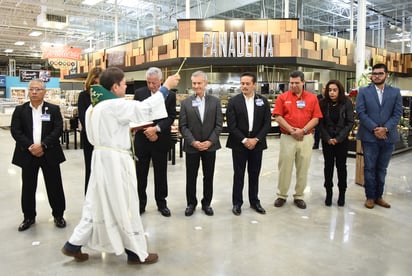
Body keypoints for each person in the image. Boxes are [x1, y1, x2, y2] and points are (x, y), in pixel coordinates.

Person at [61, 67, 180, 265]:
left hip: (100, 158)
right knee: (126, 204)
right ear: (115, 86)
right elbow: (144, 109)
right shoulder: (114, 105)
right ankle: (136, 252)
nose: (126, 87)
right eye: (124, 84)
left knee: (95, 202)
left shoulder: (94, 107)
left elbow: (103, 131)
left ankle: (74, 244)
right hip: (115, 162)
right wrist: (166, 87)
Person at [11, 79, 67, 231]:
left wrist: (43, 145)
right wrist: (30, 146)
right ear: (28, 92)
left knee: (54, 186)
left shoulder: (53, 109)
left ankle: (58, 215)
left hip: (49, 153)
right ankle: (28, 217)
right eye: (31, 89)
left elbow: (58, 129)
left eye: (38, 89)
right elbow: (16, 131)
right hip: (28, 154)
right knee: (28, 187)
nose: (34, 92)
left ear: (44, 91)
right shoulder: (20, 110)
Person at [272, 70, 323, 209]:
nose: (293, 85)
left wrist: (303, 130)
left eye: (297, 83)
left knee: (303, 168)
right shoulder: (283, 97)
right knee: (284, 167)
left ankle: (299, 196)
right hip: (288, 137)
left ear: (303, 82)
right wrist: (291, 130)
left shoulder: (312, 98)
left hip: (305, 138)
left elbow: (316, 118)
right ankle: (282, 195)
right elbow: (278, 116)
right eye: (291, 83)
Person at [356, 63, 402, 209]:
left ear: (386, 75)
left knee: (382, 168)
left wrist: (386, 129)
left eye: (380, 73)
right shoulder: (363, 91)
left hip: (388, 137)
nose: (377, 76)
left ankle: (379, 196)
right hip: (369, 136)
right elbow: (361, 112)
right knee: (369, 167)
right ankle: (370, 197)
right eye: (374, 73)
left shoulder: (395, 92)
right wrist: (376, 128)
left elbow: (397, 113)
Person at [226, 72, 271, 216]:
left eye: (247, 84)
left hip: (257, 143)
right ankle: (237, 203)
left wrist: (256, 139)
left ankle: (254, 201)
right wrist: (245, 140)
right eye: (242, 83)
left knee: (254, 174)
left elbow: (267, 123)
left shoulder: (262, 101)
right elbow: (231, 126)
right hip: (239, 143)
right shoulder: (233, 102)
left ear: (254, 85)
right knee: (238, 174)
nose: (244, 86)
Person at [179, 71, 223, 216]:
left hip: (210, 147)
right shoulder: (186, 103)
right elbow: (183, 126)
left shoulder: (215, 102)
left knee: (208, 176)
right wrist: (193, 142)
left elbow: (218, 125)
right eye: (194, 83)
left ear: (205, 83)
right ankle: (191, 203)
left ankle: (207, 203)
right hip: (192, 147)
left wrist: (210, 141)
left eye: (199, 83)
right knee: (191, 177)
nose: (196, 86)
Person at [134, 67, 176, 217]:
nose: (151, 86)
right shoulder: (139, 93)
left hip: (160, 139)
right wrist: (147, 130)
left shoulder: (170, 95)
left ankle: (161, 203)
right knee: (140, 174)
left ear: (161, 81)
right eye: (149, 82)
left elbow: (170, 117)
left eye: (154, 83)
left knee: (160, 173)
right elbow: (137, 114)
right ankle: (140, 203)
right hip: (142, 139)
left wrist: (156, 129)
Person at [318, 80, 354, 206]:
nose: (332, 93)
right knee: (328, 167)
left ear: (340, 91)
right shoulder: (322, 103)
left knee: (341, 167)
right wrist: (327, 138)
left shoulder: (347, 103)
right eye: (329, 90)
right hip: (327, 141)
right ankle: (329, 193)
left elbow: (350, 122)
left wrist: (338, 138)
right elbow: (320, 123)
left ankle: (342, 193)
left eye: (335, 90)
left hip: (342, 141)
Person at [78, 66, 102, 194]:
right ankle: (89, 200)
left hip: (105, 140)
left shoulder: (109, 97)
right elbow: (84, 119)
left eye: (100, 83)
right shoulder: (83, 96)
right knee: (91, 169)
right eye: (94, 83)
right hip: (90, 139)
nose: (97, 86)